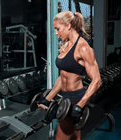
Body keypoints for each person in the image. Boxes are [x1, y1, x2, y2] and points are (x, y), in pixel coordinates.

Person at [38, 11, 102, 140]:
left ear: (68, 26)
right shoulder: (66, 46)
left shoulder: (83, 48)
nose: (56, 33)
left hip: (76, 99)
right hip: (66, 98)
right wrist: (48, 98)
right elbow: (63, 77)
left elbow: (97, 81)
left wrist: (80, 105)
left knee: (62, 137)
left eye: (57, 29)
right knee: (73, 137)